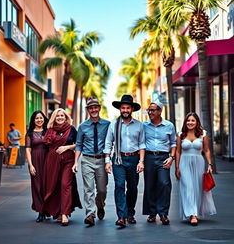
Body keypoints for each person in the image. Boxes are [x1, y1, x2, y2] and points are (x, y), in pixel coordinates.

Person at [104, 94, 145, 228]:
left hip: (134, 158)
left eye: (128, 108)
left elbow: (142, 144)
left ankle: (130, 213)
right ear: (120, 109)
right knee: (120, 186)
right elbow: (108, 143)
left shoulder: (139, 125)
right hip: (118, 159)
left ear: (132, 109)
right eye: (123, 108)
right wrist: (107, 161)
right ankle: (121, 216)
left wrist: (141, 161)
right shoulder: (113, 124)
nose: (125, 110)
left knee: (132, 188)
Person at [72, 97, 110, 226]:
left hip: (101, 160)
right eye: (90, 108)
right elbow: (78, 145)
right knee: (88, 189)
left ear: (99, 108)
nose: (93, 110)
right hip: (87, 159)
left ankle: (100, 205)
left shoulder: (107, 124)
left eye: (95, 107)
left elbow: (111, 142)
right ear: (88, 110)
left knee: (102, 190)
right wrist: (76, 162)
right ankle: (90, 214)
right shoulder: (83, 126)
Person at [175, 112, 216, 226]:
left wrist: (210, 165)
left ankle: (196, 212)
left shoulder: (203, 134)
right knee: (188, 187)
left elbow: (207, 150)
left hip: (199, 162)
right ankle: (192, 214)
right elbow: (178, 152)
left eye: (193, 120)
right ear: (185, 122)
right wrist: (177, 167)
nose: (190, 122)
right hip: (184, 163)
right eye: (188, 120)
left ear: (197, 122)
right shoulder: (181, 134)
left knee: (197, 188)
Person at [43, 108, 82, 226]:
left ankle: (65, 213)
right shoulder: (50, 130)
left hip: (68, 161)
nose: (60, 118)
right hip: (52, 162)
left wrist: (67, 147)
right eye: (57, 116)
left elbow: (79, 144)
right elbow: (46, 146)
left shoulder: (71, 129)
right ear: (54, 118)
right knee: (54, 186)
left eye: (62, 116)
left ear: (66, 117)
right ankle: (58, 212)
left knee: (66, 185)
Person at [142, 101, 176, 225]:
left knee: (164, 183)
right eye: (149, 110)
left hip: (163, 157)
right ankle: (152, 213)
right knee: (150, 185)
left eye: (153, 110)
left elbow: (173, 143)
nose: (150, 112)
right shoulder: (144, 125)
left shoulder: (169, 126)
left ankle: (163, 213)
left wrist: (171, 157)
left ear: (160, 111)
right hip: (149, 157)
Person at [25, 111, 49, 223]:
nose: (39, 120)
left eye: (41, 118)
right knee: (37, 187)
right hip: (35, 161)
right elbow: (28, 150)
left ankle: (47, 209)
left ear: (44, 119)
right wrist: (30, 165)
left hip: (47, 161)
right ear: (33, 120)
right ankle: (40, 211)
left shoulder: (48, 131)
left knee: (47, 186)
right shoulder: (29, 134)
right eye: (36, 118)